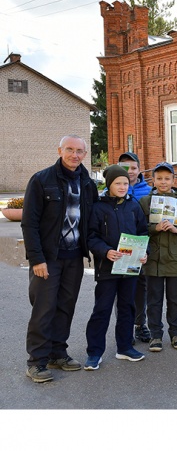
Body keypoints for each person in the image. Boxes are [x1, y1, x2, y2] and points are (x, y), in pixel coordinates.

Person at [22, 135, 99, 383]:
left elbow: (94, 220)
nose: (74, 155)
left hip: (74, 258)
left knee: (66, 307)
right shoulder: (41, 180)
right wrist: (37, 259)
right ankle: (37, 362)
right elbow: (29, 223)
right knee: (44, 309)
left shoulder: (88, 183)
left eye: (79, 151)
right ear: (59, 150)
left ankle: (58, 353)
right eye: (69, 149)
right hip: (48, 259)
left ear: (85, 155)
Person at [84, 164, 148, 370]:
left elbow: (143, 233)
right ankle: (94, 352)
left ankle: (124, 347)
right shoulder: (98, 207)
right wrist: (105, 251)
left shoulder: (133, 206)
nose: (122, 187)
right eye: (118, 183)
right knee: (101, 310)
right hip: (107, 268)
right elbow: (91, 237)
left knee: (127, 308)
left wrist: (145, 253)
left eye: (125, 183)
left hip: (129, 268)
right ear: (109, 184)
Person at [139, 162, 177, 351]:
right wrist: (154, 228)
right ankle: (155, 335)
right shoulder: (145, 202)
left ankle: (176, 333)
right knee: (154, 300)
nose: (163, 182)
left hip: (175, 258)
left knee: (174, 299)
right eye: (159, 178)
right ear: (153, 180)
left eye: (167, 178)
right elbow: (138, 229)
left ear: (173, 180)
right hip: (153, 259)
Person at [118, 151, 154, 345]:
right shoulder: (111, 190)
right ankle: (125, 327)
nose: (129, 172)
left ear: (139, 169)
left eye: (133, 167)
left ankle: (141, 324)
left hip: (141, 247)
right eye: (125, 167)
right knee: (121, 289)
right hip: (119, 248)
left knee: (141, 288)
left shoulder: (148, 191)